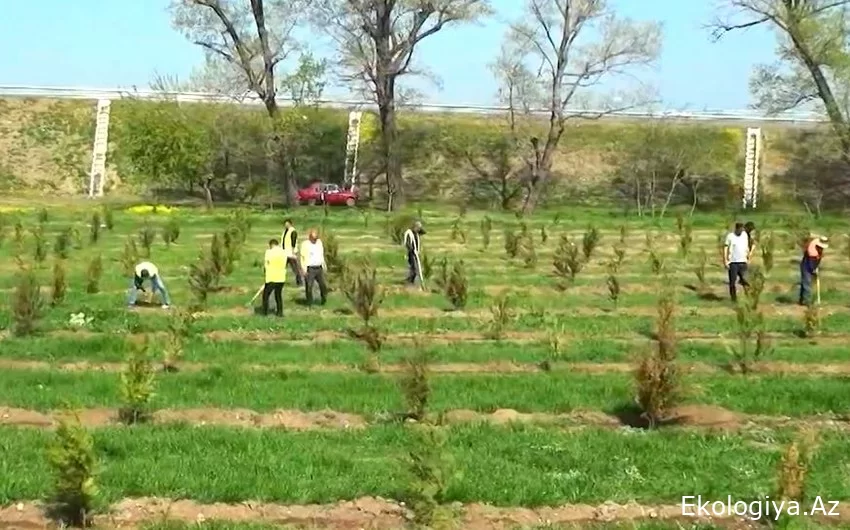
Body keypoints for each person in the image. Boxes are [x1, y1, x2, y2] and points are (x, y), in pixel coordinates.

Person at [299, 228, 328, 306]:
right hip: (310, 268)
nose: (314, 240)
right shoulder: (305, 244)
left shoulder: (319, 243)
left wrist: (324, 265)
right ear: (310, 237)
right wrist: (303, 269)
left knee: (323, 285)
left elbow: (321, 254)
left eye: (316, 238)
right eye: (313, 238)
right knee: (309, 286)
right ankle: (309, 302)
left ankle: (323, 299)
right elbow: (302, 257)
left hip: (319, 267)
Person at [724, 222, 750, 302]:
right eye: (740, 229)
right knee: (732, 282)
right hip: (733, 262)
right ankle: (733, 299)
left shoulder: (745, 235)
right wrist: (725, 260)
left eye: (742, 229)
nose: (741, 231)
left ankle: (749, 297)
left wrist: (748, 256)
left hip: (743, 262)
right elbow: (725, 247)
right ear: (736, 229)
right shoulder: (730, 236)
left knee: (745, 281)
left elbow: (747, 246)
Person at [799, 235, 828, 306]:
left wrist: (817, 264)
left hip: (812, 262)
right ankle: (807, 302)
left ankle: (802, 301)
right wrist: (814, 270)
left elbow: (818, 258)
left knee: (805, 283)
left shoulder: (818, 243)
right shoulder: (812, 252)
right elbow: (811, 265)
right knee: (807, 283)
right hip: (806, 266)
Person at [262, 238, 287, 316]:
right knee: (278, 295)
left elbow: (266, 265)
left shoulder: (269, 252)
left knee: (266, 296)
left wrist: (265, 273)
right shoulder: (283, 252)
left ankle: (265, 312)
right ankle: (280, 312)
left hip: (271, 277)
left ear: (271, 245)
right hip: (281, 277)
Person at [280, 218, 303, 286]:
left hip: (291, 253)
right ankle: (280, 280)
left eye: (287, 224)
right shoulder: (285, 231)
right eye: (285, 224)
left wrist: (293, 251)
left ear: (290, 224)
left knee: (295, 268)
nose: (285, 225)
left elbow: (293, 241)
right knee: (282, 267)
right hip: (285, 252)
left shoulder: (293, 231)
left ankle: (299, 281)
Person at [403, 220, 425, 286]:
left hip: (416, 253)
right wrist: (411, 250)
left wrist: (420, 228)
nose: (419, 230)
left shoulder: (416, 233)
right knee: (414, 268)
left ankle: (410, 281)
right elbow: (407, 243)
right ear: (415, 227)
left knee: (414, 268)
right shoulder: (409, 233)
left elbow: (423, 232)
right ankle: (410, 282)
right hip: (411, 253)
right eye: (418, 228)